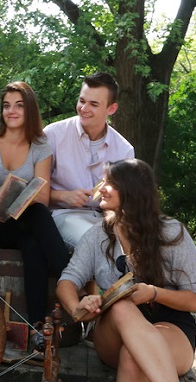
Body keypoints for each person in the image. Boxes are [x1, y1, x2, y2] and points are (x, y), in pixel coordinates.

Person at [56, 158, 196, 382]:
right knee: (123, 305)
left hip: (170, 329)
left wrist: (154, 293)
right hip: (113, 330)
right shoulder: (97, 236)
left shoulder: (173, 234)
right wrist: (77, 306)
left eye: (110, 182)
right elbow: (68, 281)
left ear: (133, 193)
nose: (101, 187)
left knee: (134, 359)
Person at [0, 81, 69, 324]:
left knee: (33, 242)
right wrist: (12, 200)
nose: (11, 111)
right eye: (6, 106)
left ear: (30, 110)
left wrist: (21, 204)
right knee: (35, 215)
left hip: (24, 222)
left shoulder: (40, 147)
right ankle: (68, 276)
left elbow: (43, 197)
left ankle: (37, 325)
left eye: (18, 106)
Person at [44, 72, 134, 250]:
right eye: (82, 101)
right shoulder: (52, 135)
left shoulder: (124, 149)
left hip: (107, 218)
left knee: (147, 241)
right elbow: (32, 189)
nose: (84, 108)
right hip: (64, 215)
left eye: (93, 104)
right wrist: (64, 196)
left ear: (111, 109)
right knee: (98, 243)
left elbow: (125, 201)